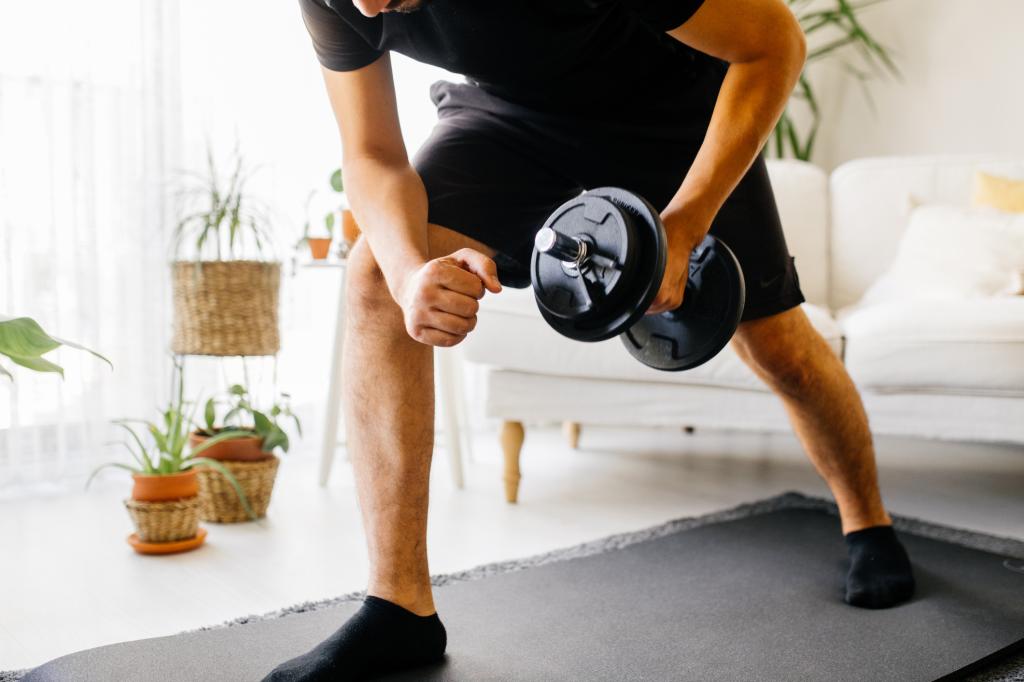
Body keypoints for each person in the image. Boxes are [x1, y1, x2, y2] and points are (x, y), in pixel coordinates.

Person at [266, 0, 916, 679]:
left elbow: (775, 44)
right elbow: (370, 153)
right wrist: (408, 276)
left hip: (670, 119)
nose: (367, 6)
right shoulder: (338, 1)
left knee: (779, 352)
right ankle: (400, 608)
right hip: (509, 120)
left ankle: (867, 521)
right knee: (374, 273)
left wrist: (687, 225)